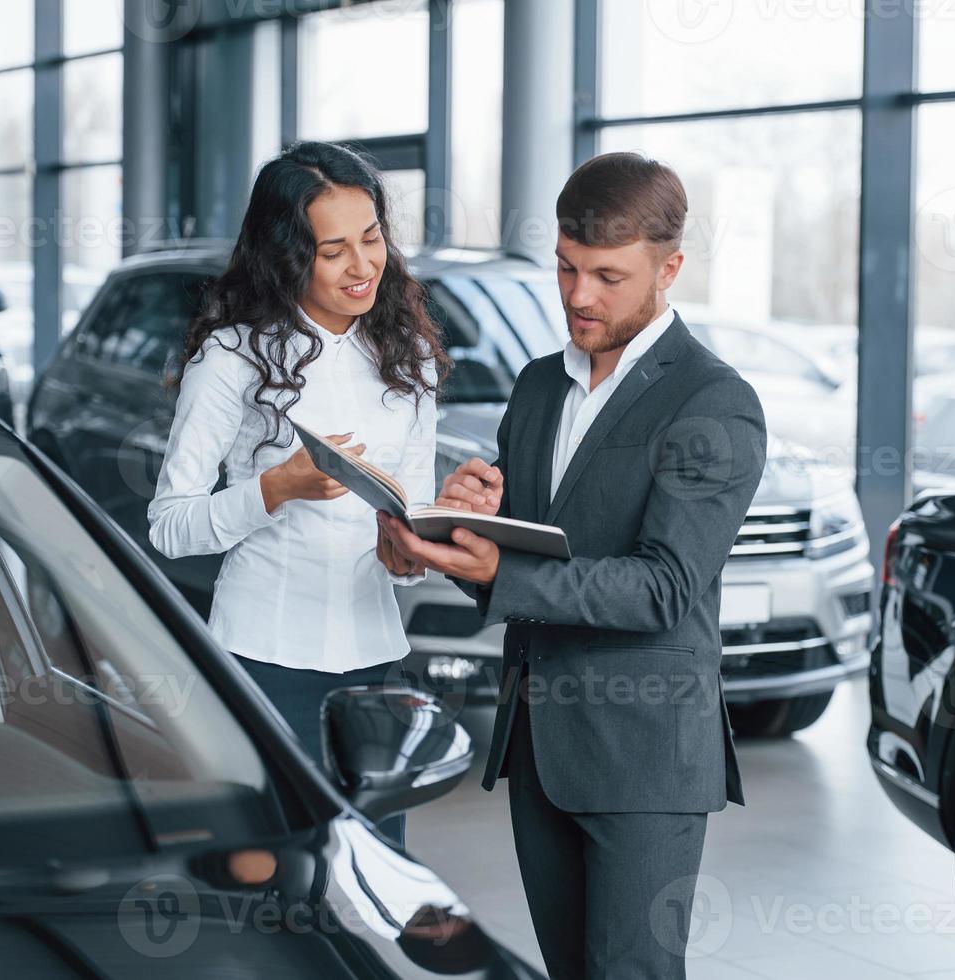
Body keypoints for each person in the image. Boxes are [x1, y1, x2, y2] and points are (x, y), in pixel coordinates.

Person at [382, 152, 767, 977]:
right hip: (540, 747)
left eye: (607, 276)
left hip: (645, 759)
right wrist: (455, 532)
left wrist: (498, 575)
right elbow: (515, 559)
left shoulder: (712, 401)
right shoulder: (537, 389)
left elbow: (664, 588)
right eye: (565, 268)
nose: (579, 296)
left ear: (670, 269)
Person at [148, 141, 448, 849]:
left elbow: (414, 526)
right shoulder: (231, 359)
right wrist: (273, 490)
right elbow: (168, 527)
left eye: (371, 239)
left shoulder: (410, 359)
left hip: (375, 663)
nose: (363, 265)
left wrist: (417, 550)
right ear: (288, 256)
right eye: (334, 249)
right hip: (265, 656)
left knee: (376, 867)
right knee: (282, 869)